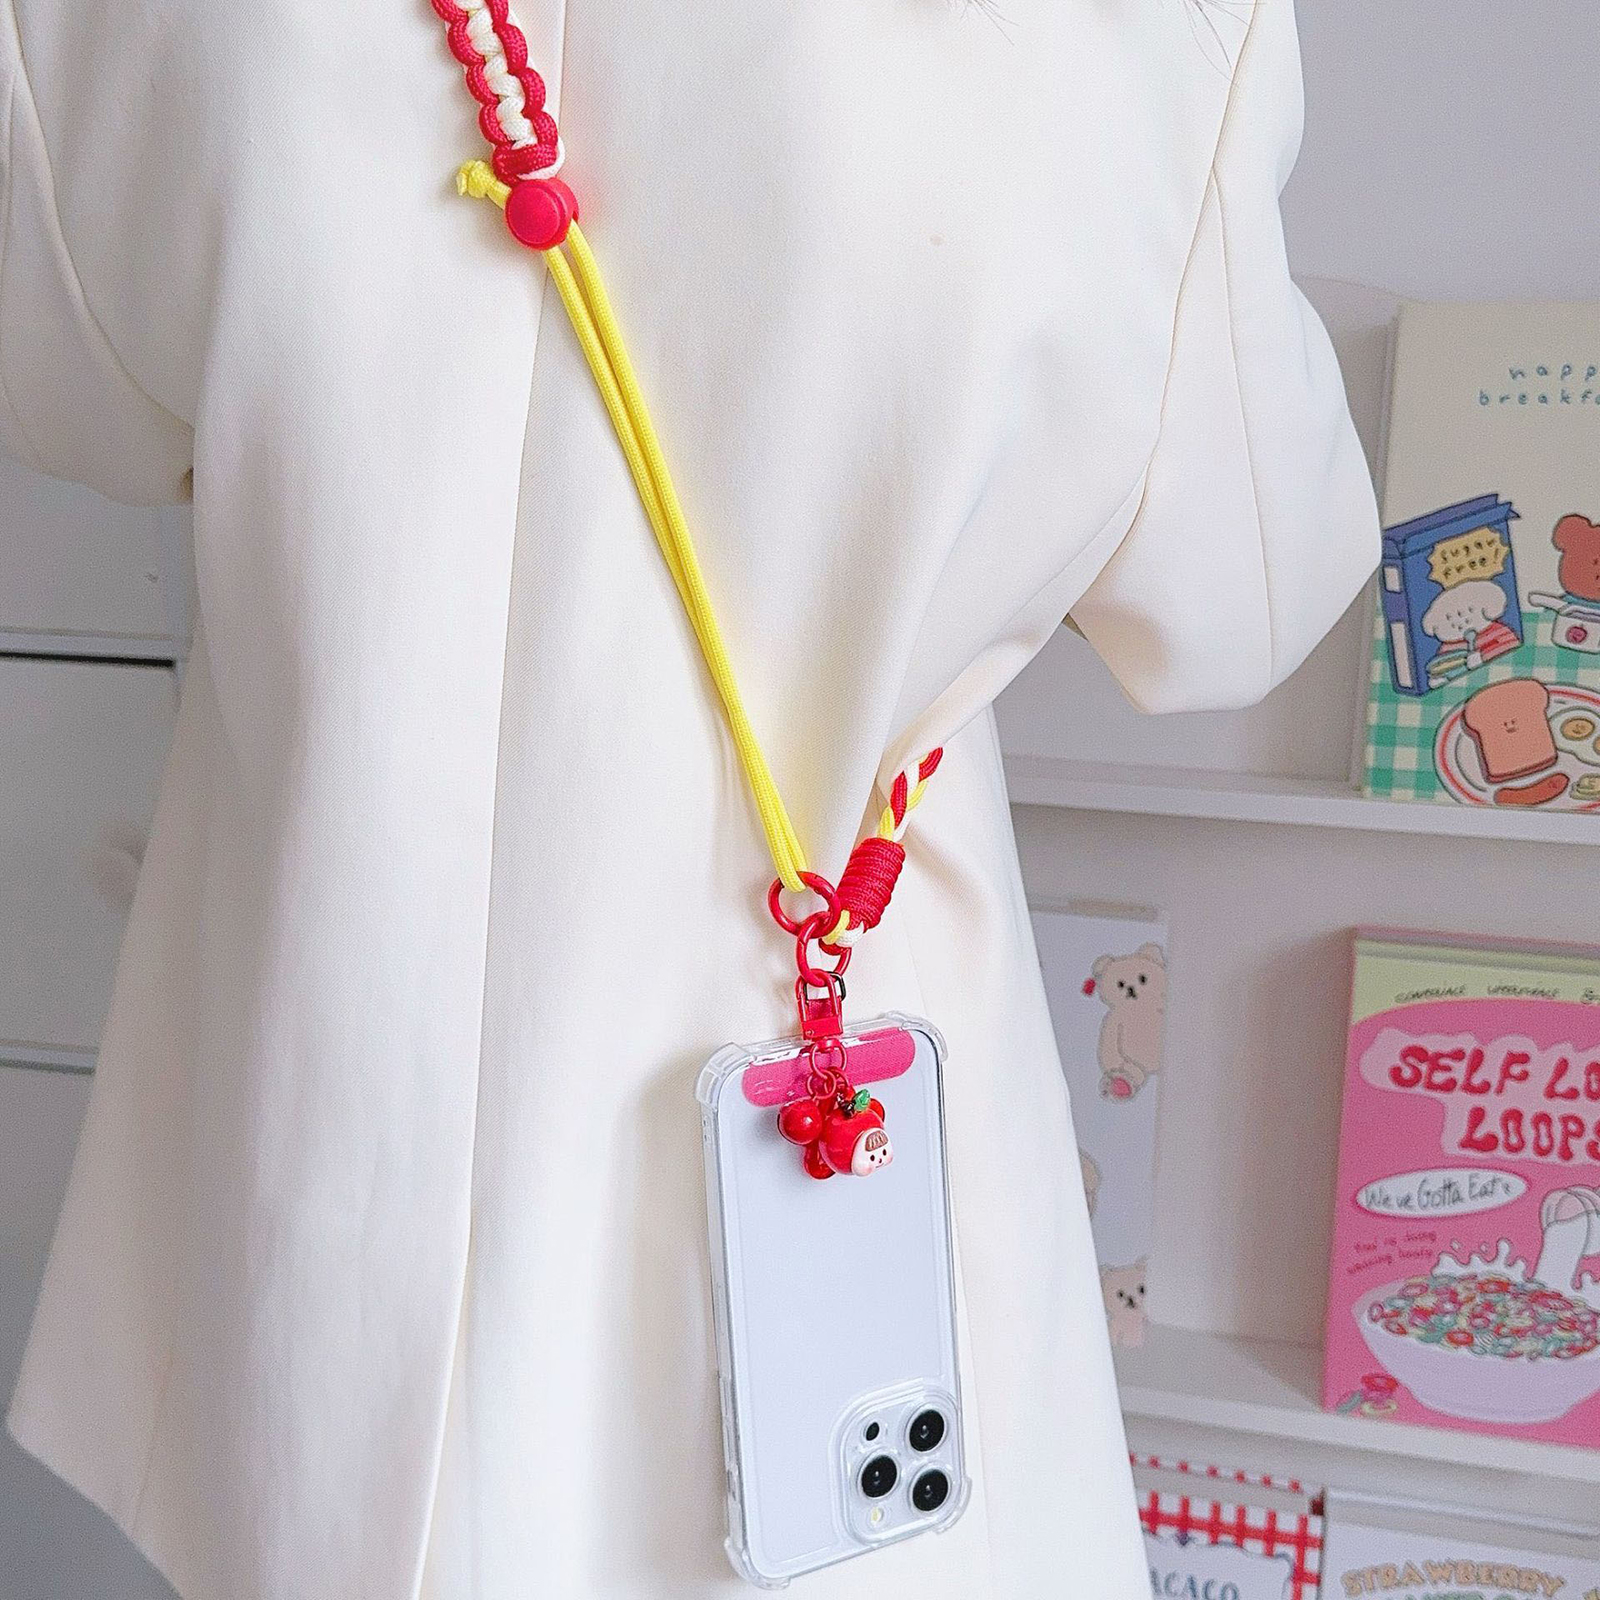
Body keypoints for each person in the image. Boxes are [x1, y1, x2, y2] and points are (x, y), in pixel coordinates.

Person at [0, 1, 1378, 1596]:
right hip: (848, 1114)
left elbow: (76, 393)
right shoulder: (1150, 34)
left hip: (312, 1191)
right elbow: (1239, 604)